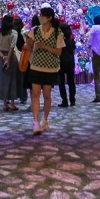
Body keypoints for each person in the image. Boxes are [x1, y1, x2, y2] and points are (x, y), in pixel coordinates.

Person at [25, 7, 64, 135]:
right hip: (35, 67)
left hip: (51, 68)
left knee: (47, 95)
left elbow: (58, 52)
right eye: (40, 16)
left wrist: (44, 47)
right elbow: (29, 48)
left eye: (42, 16)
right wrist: (29, 45)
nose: (40, 18)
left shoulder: (58, 33)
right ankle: (35, 122)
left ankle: (44, 120)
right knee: (35, 94)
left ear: (49, 18)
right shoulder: (34, 31)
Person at [0, 15, 20, 111]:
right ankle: (12, 103)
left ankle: (4, 103)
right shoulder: (14, 33)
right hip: (11, 57)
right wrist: (8, 59)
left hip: (1, 58)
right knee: (12, 79)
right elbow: (12, 47)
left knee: (2, 79)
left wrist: (2, 57)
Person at [56, 18, 77, 108]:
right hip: (70, 62)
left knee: (61, 82)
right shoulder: (71, 40)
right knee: (71, 82)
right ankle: (72, 100)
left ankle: (64, 101)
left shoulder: (59, 40)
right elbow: (73, 51)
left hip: (61, 62)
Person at [13, 17, 28, 106]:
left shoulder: (13, 34)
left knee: (13, 78)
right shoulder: (24, 34)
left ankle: (11, 97)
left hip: (14, 57)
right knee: (23, 78)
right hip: (23, 58)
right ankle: (23, 97)